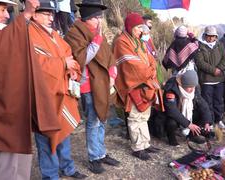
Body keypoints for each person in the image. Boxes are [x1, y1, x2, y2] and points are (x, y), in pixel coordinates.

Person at [0, 0, 63, 179]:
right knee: (6, 157)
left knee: (19, 154)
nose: (8, 15)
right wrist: (25, 15)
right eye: (3, 10)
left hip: (12, 106)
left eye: (8, 11)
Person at [28, 1, 86, 179]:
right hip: (43, 95)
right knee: (46, 136)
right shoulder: (28, 33)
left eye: (51, 14)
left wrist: (73, 70)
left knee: (64, 131)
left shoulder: (54, 34)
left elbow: (70, 56)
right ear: (34, 14)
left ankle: (67, 167)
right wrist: (62, 63)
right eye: (45, 14)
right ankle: (50, 175)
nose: (50, 18)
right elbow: (34, 63)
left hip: (63, 91)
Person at [64, 0, 120, 174]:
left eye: (99, 18)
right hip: (88, 85)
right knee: (93, 122)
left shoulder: (96, 31)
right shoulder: (74, 33)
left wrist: (112, 73)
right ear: (87, 17)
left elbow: (108, 56)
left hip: (102, 83)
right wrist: (96, 41)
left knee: (101, 119)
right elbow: (82, 59)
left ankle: (101, 153)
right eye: (96, 17)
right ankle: (94, 157)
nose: (98, 21)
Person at [113, 12, 163, 161]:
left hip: (145, 84)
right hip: (133, 84)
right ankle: (137, 147)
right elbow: (132, 66)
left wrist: (151, 69)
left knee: (144, 116)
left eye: (141, 28)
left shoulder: (138, 41)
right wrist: (149, 70)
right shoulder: (121, 42)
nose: (140, 31)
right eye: (137, 28)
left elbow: (151, 59)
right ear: (129, 27)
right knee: (135, 117)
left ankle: (145, 143)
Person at [163, 70, 212, 146]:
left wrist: (207, 122)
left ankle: (192, 135)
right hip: (172, 114)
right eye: (190, 87)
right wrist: (188, 124)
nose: (192, 89)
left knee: (201, 114)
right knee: (171, 122)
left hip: (187, 112)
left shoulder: (194, 88)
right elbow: (171, 110)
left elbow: (203, 105)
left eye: (193, 87)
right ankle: (171, 139)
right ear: (183, 84)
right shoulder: (171, 89)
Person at [195, 25, 225, 129]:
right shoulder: (200, 47)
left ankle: (219, 120)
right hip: (206, 79)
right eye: (208, 36)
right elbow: (200, 62)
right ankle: (209, 122)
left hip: (219, 79)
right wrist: (213, 70)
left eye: (213, 36)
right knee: (207, 102)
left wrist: (220, 69)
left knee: (218, 101)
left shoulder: (219, 45)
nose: (210, 38)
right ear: (205, 35)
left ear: (216, 36)